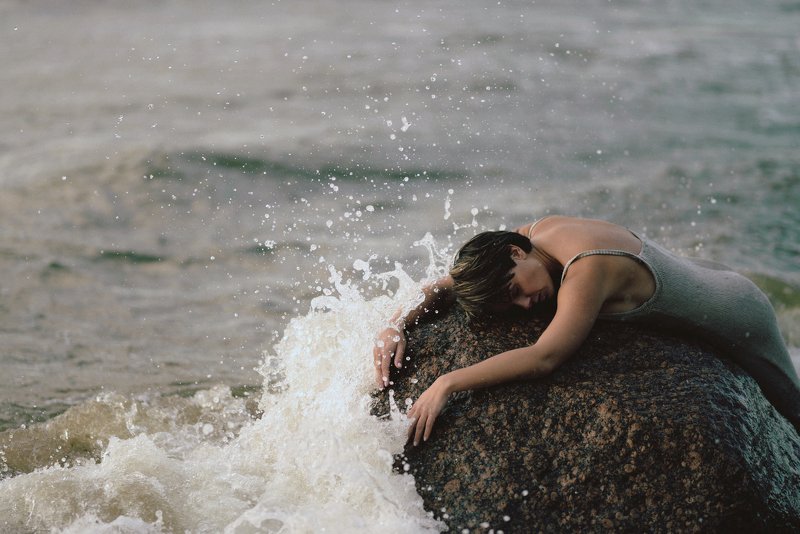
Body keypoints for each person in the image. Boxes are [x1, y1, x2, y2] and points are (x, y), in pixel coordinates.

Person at [372, 215, 800, 445]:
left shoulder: (588, 267)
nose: (525, 304)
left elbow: (546, 356)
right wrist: (394, 324)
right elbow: (447, 285)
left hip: (740, 315)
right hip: (708, 277)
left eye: (516, 289)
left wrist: (448, 382)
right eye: (512, 305)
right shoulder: (533, 237)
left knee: (794, 411)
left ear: (516, 254)